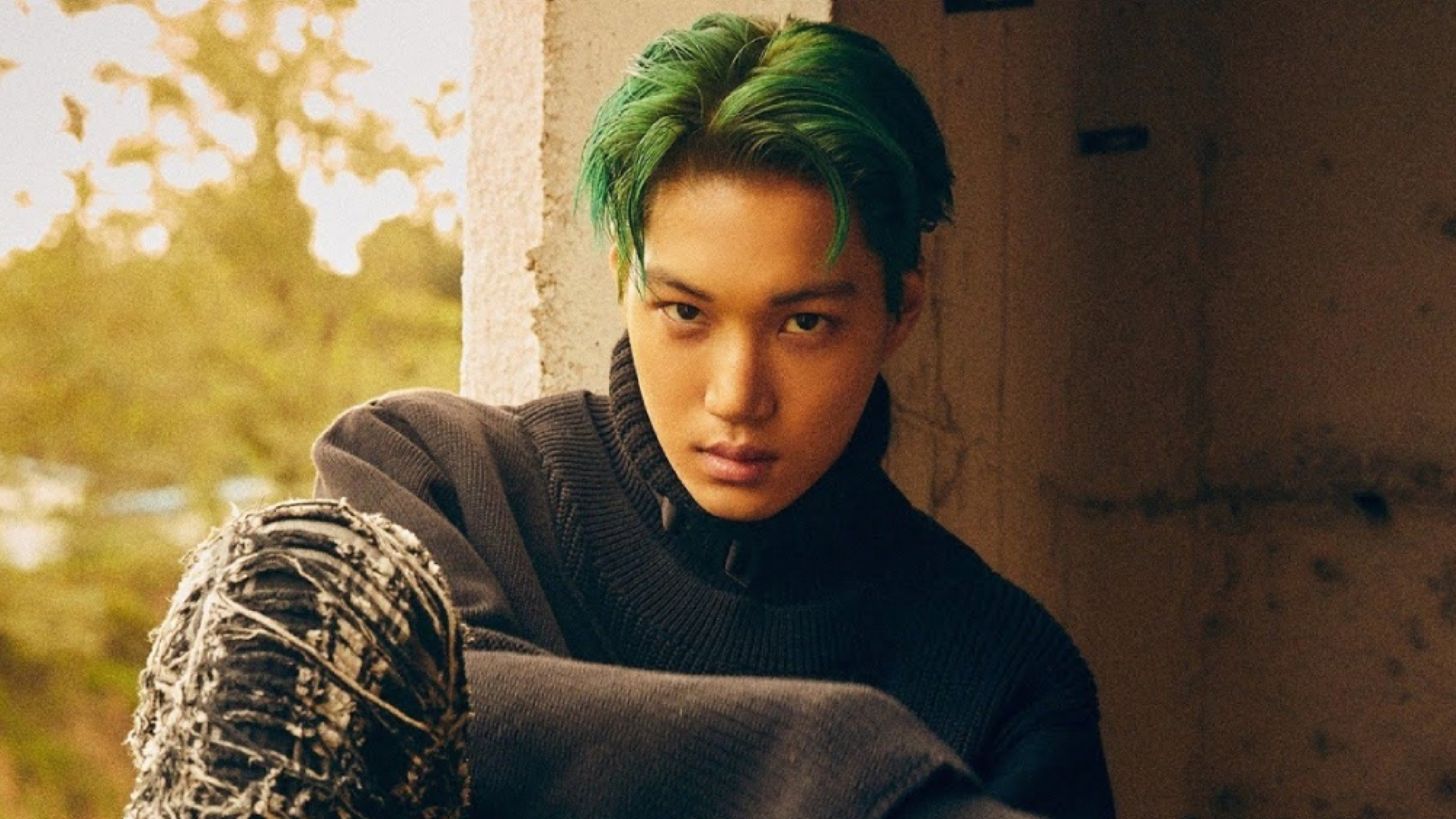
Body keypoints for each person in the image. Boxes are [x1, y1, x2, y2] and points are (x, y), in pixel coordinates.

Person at [125, 12, 1116, 819]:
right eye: (684, 313)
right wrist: (843, 761)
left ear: (901, 311)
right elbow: (407, 703)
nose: (736, 394)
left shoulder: (1004, 682)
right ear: (622, 282)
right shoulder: (436, 478)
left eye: (804, 323)